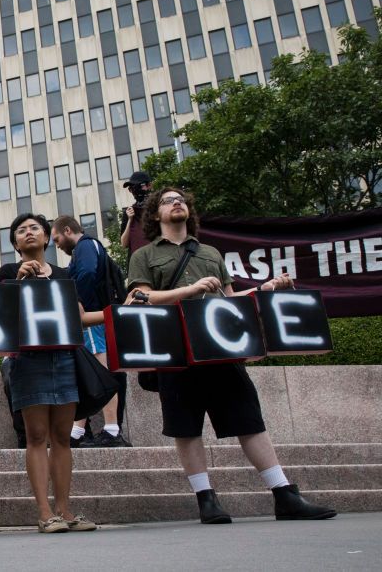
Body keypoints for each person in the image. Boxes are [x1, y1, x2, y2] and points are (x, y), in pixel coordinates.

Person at [127, 187, 336, 525]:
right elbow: (137, 298)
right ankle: (205, 499)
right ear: (154, 215)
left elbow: (231, 300)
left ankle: (283, 494)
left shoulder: (209, 252)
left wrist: (265, 289)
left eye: (181, 199)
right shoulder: (144, 255)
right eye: (168, 200)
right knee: (187, 426)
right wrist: (189, 291)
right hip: (175, 350)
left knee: (249, 419)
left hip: (220, 349)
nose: (176, 202)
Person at [0, 213, 97, 533]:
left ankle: (65, 510)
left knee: (62, 437)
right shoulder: (8, 272)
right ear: (15, 242)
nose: (28, 233)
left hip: (64, 357)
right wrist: (21, 281)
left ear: (47, 237)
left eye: (34, 228)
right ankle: (44, 512)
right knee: (36, 436)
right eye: (21, 230)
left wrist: (116, 315)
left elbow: (79, 316)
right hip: (28, 359)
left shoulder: (65, 274)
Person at [51, 216, 128, 448]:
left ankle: (111, 428)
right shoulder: (91, 246)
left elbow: (86, 273)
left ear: (67, 230)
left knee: (99, 368)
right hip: (96, 317)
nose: (57, 245)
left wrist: (78, 304)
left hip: (92, 318)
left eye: (56, 239)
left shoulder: (85, 246)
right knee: (93, 369)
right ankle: (78, 430)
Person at [119, 171, 153, 258]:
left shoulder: (160, 207)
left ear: (149, 185)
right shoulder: (129, 211)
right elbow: (123, 244)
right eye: (132, 188)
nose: (135, 191)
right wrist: (130, 220)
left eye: (139, 186)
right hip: (137, 263)